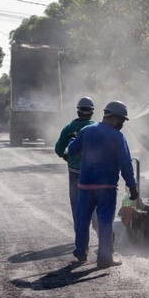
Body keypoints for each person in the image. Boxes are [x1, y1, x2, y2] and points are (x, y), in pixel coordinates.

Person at [67, 101, 139, 268]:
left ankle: (80, 252)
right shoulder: (117, 136)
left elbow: (71, 150)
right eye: (121, 120)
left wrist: (72, 140)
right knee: (105, 220)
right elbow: (125, 163)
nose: (122, 124)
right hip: (106, 188)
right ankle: (105, 257)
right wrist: (132, 186)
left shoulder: (86, 131)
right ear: (113, 118)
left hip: (85, 186)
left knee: (82, 219)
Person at [55, 97, 96, 226]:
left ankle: (81, 242)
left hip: (74, 173)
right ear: (92, 112)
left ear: (78, 111)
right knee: (95, 204)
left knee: (77, 206)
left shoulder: (68, 128)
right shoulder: (95, 127)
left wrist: (67, 156)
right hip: (93, 173)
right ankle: (101, 232)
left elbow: (59, 150)